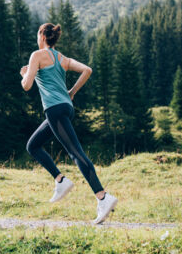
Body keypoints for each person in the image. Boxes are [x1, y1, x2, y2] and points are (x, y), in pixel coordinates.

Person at [20, 23, 117, 224]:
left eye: (37, 35)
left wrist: (25, 74)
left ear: (42, 36)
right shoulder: (62, 58)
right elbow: (87, 70)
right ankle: (60, 180)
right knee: (33, 145)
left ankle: (103, 196)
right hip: (65, 108)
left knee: (76, 153)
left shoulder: (36, 55)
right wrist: (71, 92)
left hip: (54, 109)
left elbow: (27, 86)